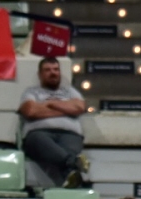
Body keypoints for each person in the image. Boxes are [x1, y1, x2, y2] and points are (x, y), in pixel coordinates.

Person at [18, 56, 88, 187]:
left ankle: (70, 172)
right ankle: (73, 164)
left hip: (70, 135)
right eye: (48, 70)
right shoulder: (31, 92)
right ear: (40, 74)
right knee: (38, 140)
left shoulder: (70, 91)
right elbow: (30, 111)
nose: (53, 73)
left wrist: (49, 104)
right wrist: (66, 108)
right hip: (39, 135)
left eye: (56, 69)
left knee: (66, 150)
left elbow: (79, 107)